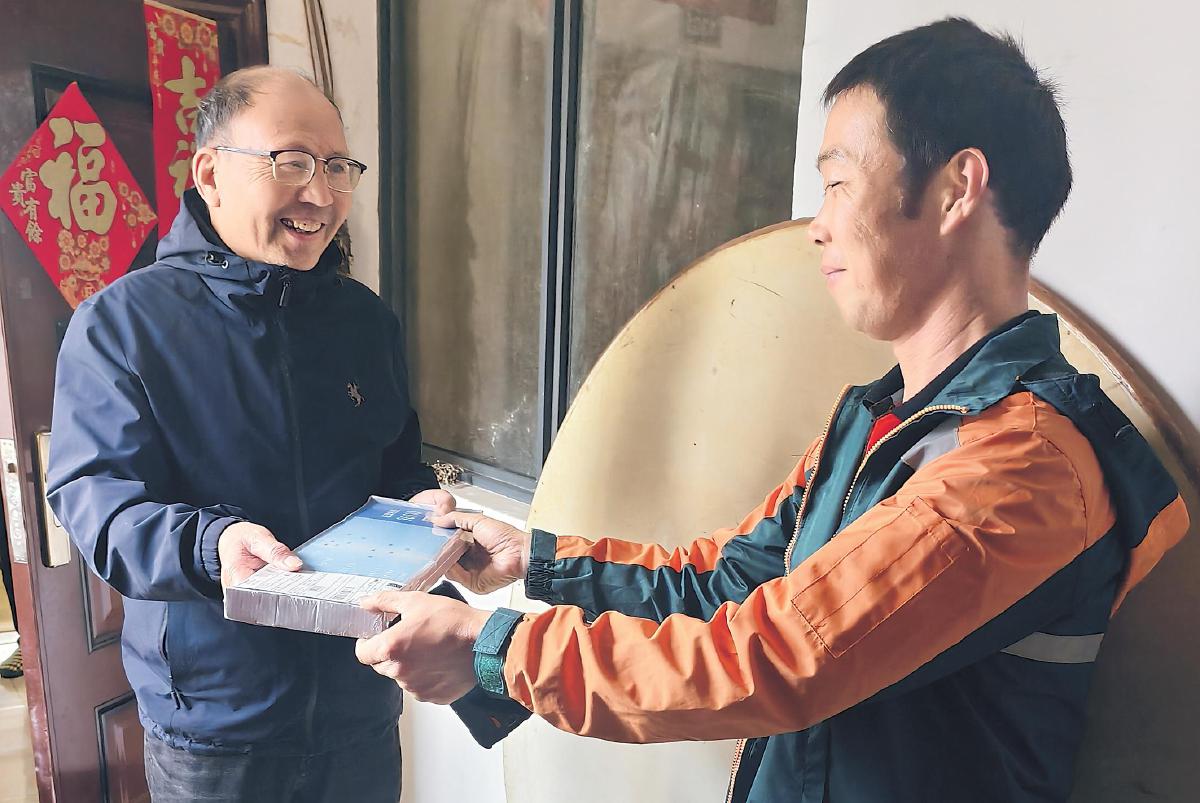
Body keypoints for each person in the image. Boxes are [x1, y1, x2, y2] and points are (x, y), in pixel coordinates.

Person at [353, 18, 1190, 803]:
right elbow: (733, 580)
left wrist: (492, 650)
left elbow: (776, 656)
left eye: (838, 183)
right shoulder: (883, 419)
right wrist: (533, 560)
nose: (818, 226)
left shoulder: (1022, 466)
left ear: (954, 188)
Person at [47, 66, 450, 803]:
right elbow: (99, 505)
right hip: (215, 728)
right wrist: (213, 545)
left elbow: (396, 465)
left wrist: (424, 507)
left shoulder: (365, 321)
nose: (321, 195)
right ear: (210, 173)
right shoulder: (122, 325)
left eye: (337, 166)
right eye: (291, 162)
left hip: (361, 703)